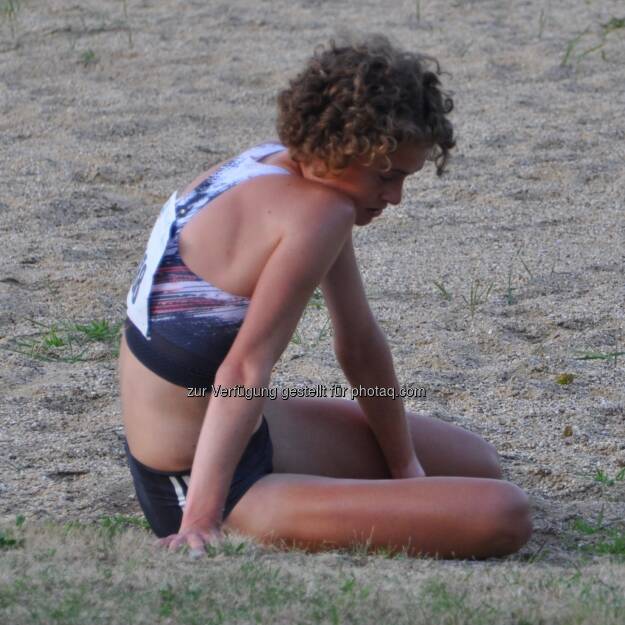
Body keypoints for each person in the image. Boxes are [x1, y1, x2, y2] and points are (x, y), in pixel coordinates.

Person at [117, 34, 532, 559]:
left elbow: (358, 343)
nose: (395, 198)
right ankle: (213, 512)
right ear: (346, 149)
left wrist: (405, 469)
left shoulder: (272, 165)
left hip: (250, 430)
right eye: (386, 176)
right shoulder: (318, 213)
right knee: (503, 512)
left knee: (476, 463)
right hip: (198, 483)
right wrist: (200, 521)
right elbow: (244, 368)